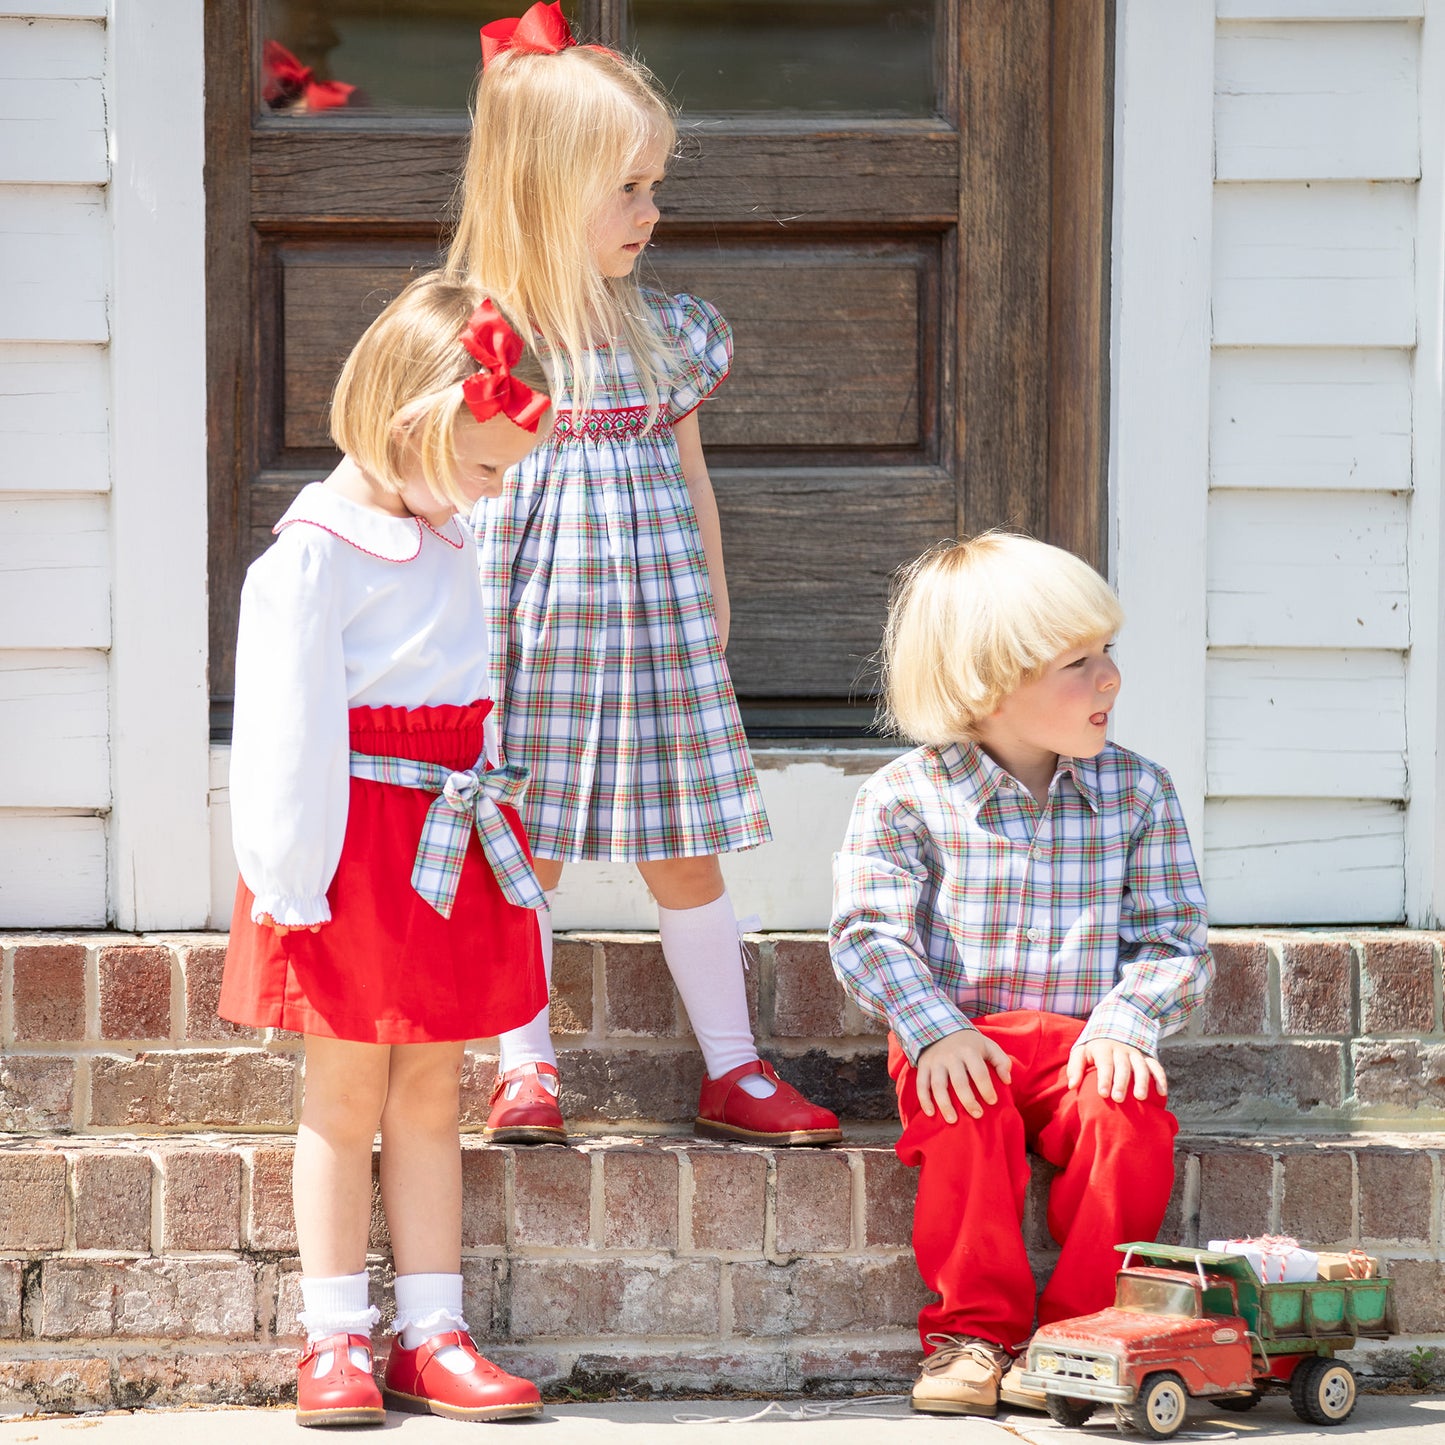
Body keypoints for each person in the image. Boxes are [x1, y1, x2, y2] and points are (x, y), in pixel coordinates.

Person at [446, 1, 841, 1148]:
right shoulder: (486, 346)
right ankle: (523, 1063)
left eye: (652, 184)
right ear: (538, 191)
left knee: (684, 848)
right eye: (626, 188)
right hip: (525, 635)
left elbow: (690, 473)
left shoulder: (663, 332)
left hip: (656, 629)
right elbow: (455, 497)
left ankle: (732, 1066)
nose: (650, 210)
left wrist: (715, 591)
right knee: (527, 849)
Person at [219, 272, 555, 1428]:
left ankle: (433, 1331)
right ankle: (333, 1339)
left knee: (431, 1094)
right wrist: (290, 875)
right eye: (483, 467)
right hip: (350, 853)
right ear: (415, 425)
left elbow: (468, 696)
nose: (490, 492)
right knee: (343, 1093)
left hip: (445, 843)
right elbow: (284, 728)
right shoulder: (311, 557)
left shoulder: (442, 532)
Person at [829, 533, 1213, 1418]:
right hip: (964, 1040)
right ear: (985, 683)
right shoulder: (904, 795)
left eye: (1107, 650)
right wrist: (933, 1026)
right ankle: (972, 1334)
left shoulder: (1138, 791)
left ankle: (1081, 1332)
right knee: (963, 1122)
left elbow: (1175, 939)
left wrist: (1127, 1020)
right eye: (1077, 662)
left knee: (1129, 1124)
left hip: (1086, 1045)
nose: (1110, 676)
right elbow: (867, 932)